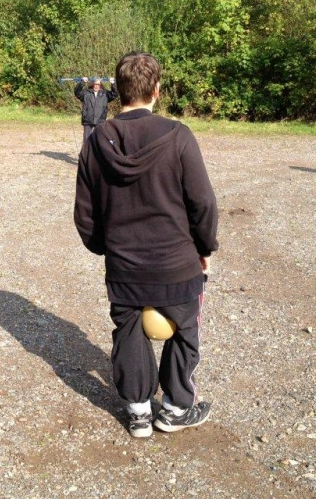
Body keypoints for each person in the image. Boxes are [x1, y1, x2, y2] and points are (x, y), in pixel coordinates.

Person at [74, 52, 219, 438]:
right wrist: (204, 248)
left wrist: (107, 248)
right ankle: (175, 410)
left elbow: (85, 214)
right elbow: (203, 203)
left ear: (118, 91)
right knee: (185, 331)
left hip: (124, 266)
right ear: (157, 90)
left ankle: (138, 413)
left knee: (128, 332)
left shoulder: (96, 141)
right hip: (177, 263)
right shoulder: (178, 135)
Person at [74, 77, 119, 142]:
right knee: (87, 139)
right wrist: (82, 82)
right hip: (87, 119)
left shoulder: (105, 93)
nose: (96, 86)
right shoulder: (86, 93)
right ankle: (87, 149)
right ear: (92, 84)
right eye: (95, 84)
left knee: (99, 139)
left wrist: (113, 84)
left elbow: (115, 94)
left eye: (98, 84)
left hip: (100, 120)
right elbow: (77, 92)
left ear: (100, 85)